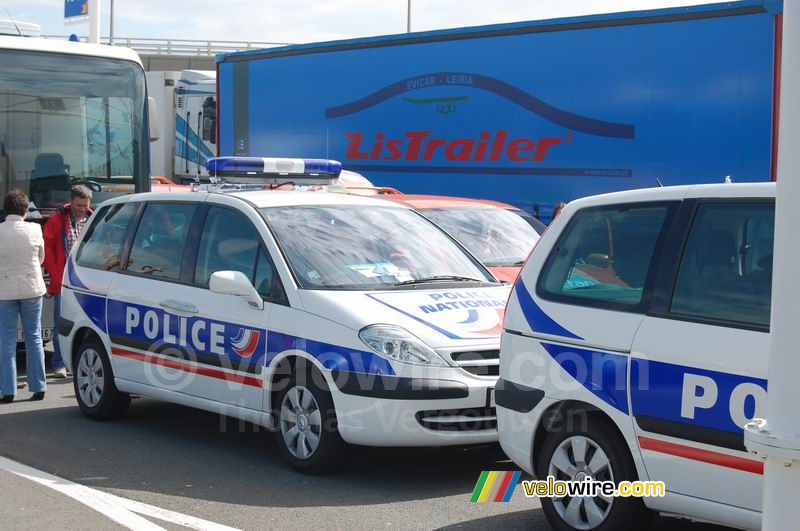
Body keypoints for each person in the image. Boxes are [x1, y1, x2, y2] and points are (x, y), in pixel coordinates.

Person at [0, 190, 47, 403]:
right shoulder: (35, 229)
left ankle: (8, 391)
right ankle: (38, 387)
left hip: (4, 290)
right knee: (34, 337)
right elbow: (41, 257)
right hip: (32, 287)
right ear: (25, 210)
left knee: (6, 340)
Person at [43, 185, 93, 378]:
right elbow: (47, 248)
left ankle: (78, 363)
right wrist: (56, 275)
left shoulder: (93, 218)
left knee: (87, 325)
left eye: (85, 205)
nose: (82, 208)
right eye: (79, 205)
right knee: (61, 324)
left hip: (87, 281)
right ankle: (59, 363)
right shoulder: (57, 220)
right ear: (71, 201)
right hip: (64, 280)